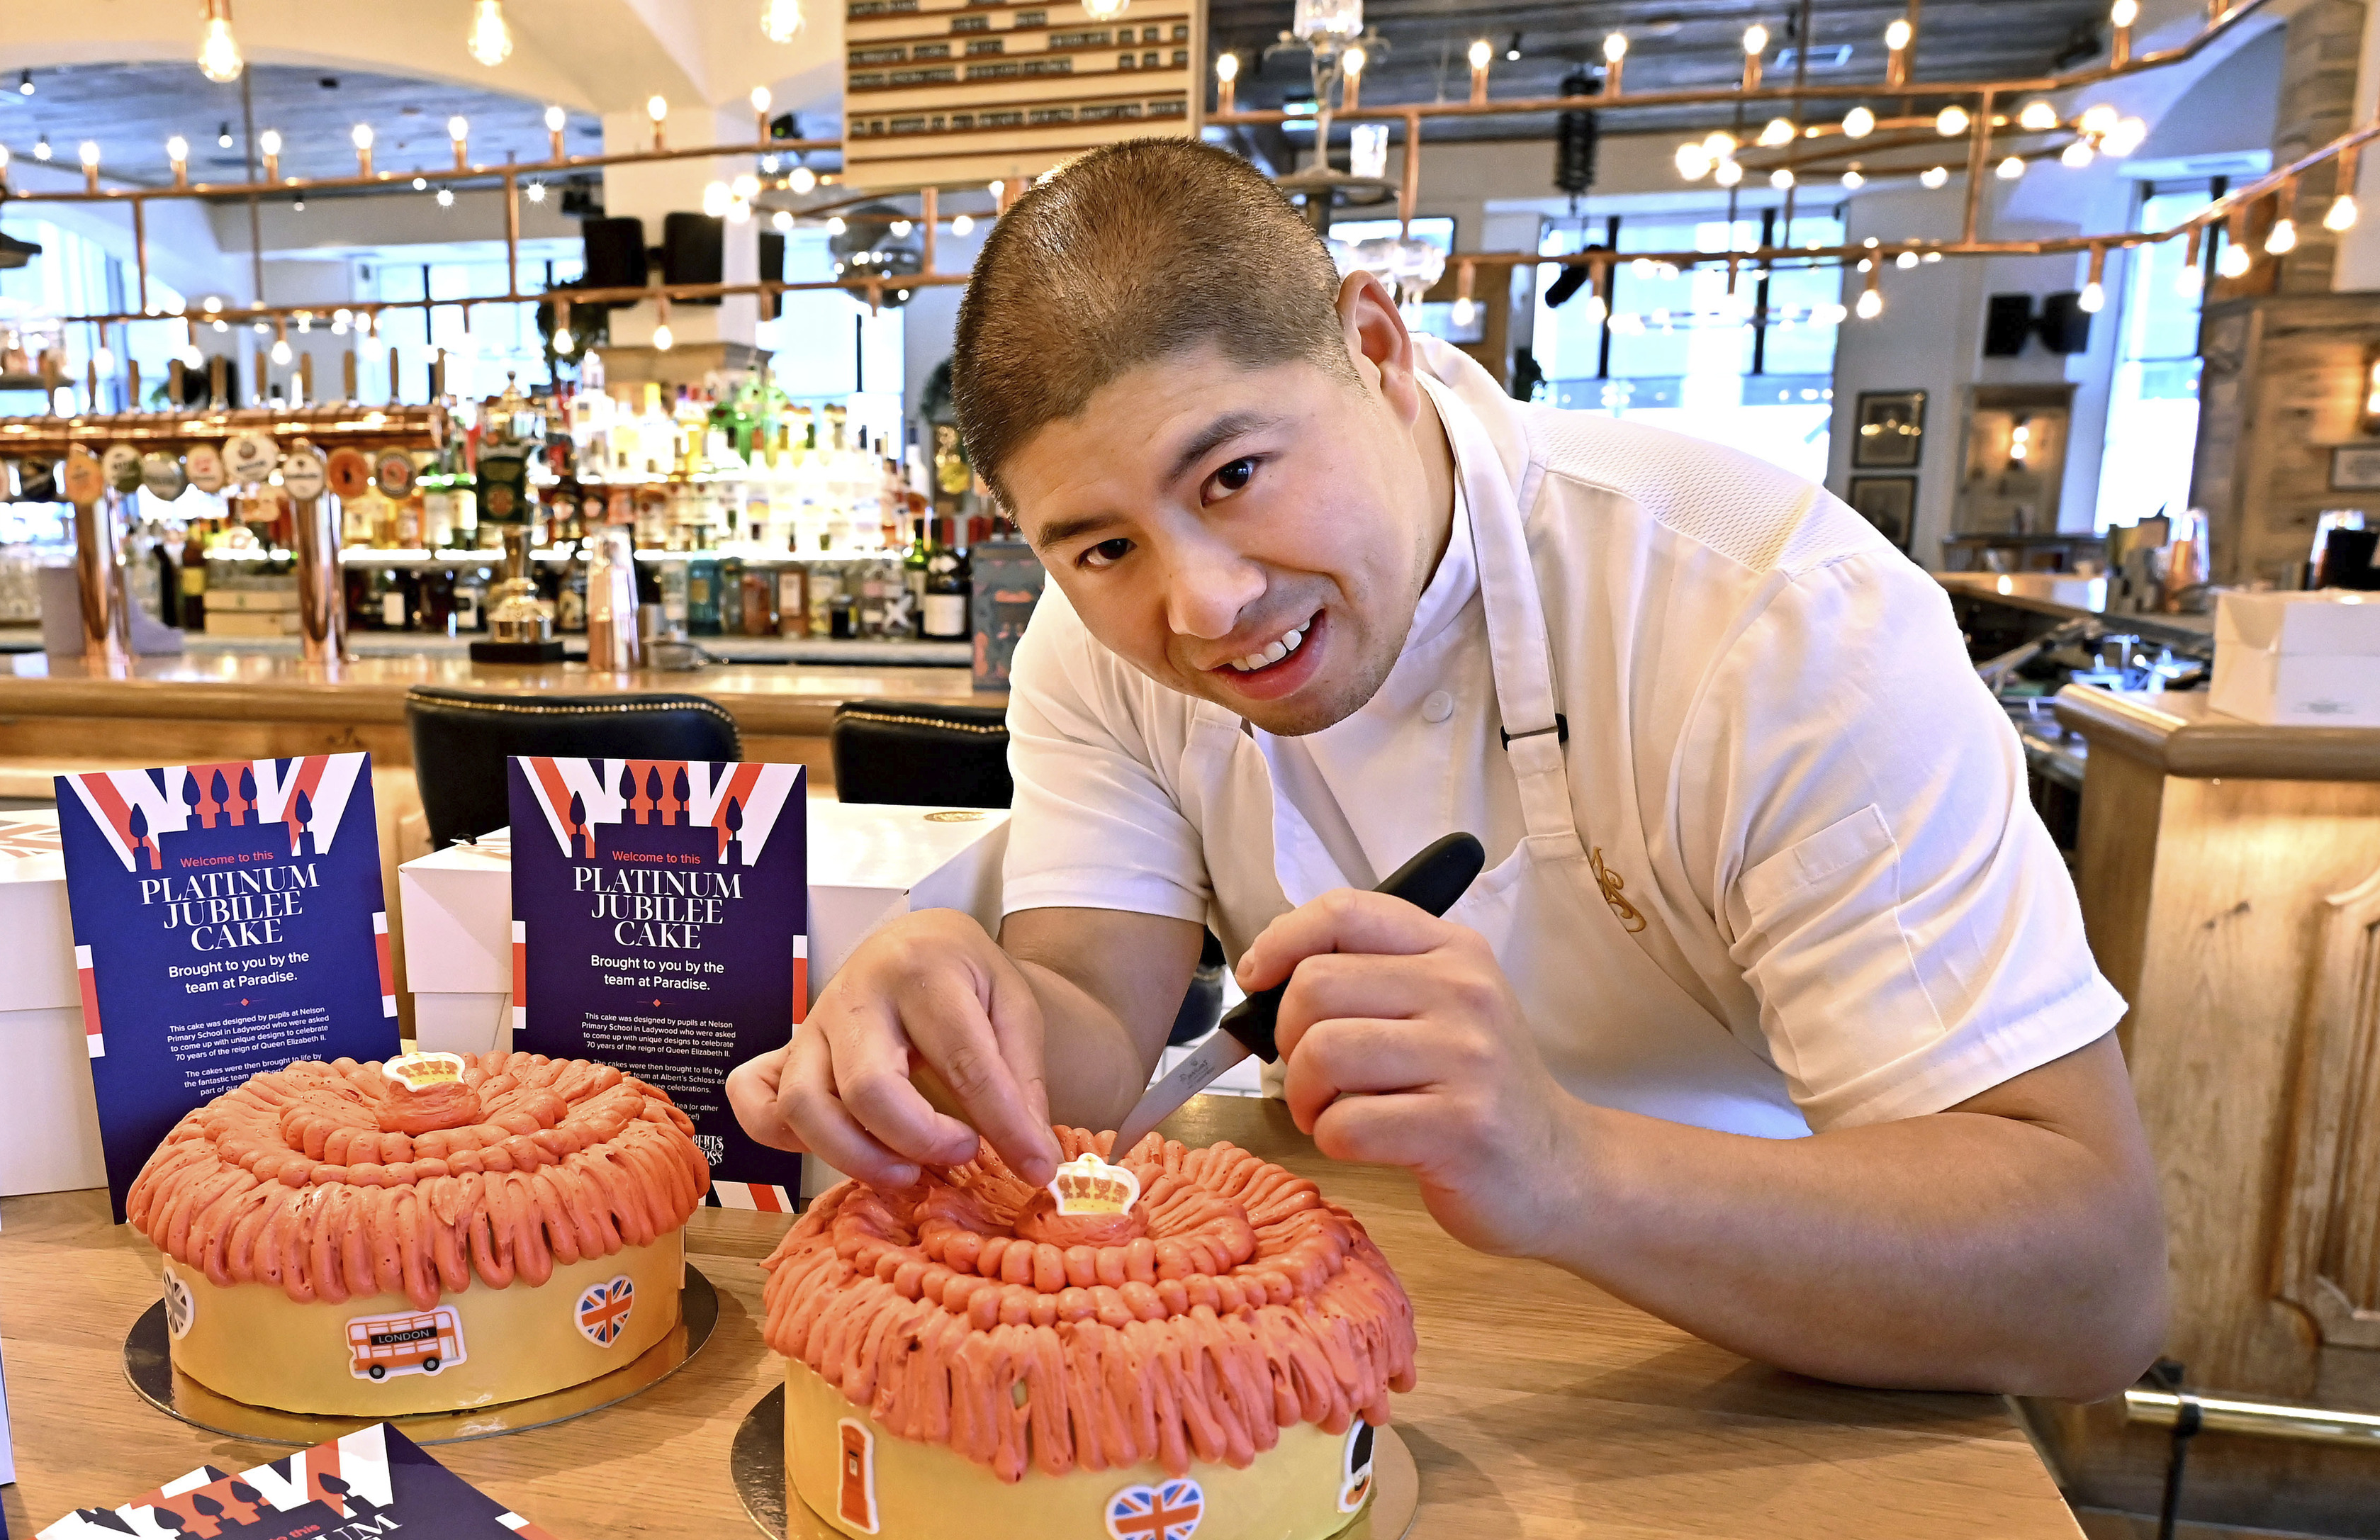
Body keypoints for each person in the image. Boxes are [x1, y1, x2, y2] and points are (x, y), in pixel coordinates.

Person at [727, 140, 2164, 1398]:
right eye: (1101, 547)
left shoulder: (1769, 619)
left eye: (1232, 475)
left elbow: (2092, 1280)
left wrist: (1568, 1169)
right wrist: (957, 1008)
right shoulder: (1092, 646)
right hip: (1373, 1360)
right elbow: (1100, 1032)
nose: (1202, 605)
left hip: (1786, 1364)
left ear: (1375, 343)